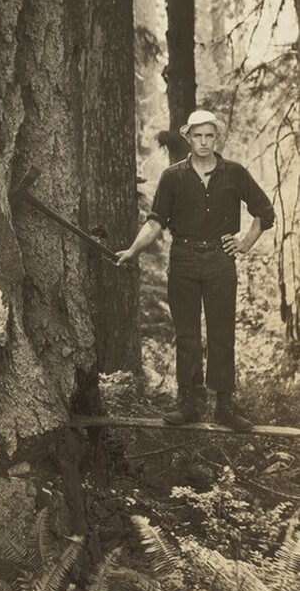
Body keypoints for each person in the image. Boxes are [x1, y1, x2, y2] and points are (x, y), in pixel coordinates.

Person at [117, 109, 275, 431]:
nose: (203, 142)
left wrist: (245, 242)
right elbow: (155, 222)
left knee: (222, 333)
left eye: (209, 136)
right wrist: (133, 250)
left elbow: (264, 212)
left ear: (217, 139)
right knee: (186, 334)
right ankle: (189, 405)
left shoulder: (235, 173)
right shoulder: (172, 176)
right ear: (188, 138)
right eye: (197, 136)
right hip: (183, 259)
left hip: (220, 260)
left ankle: (224, 408)